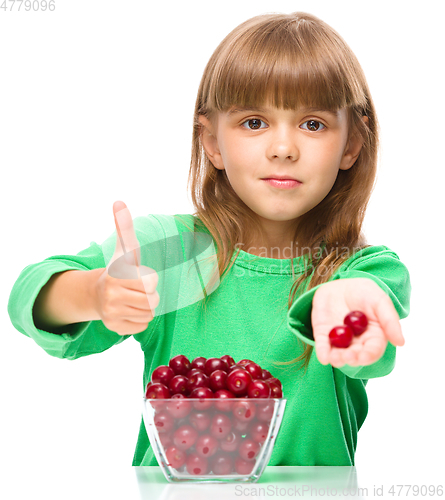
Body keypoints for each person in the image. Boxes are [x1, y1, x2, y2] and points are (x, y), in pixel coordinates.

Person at [7, 11, 411, 467]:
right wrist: (95, 293)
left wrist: (352, 312)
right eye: (254, 122)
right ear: (212, 143)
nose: (283, 148)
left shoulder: (366, 270)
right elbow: (27, 298)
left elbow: (372, 351)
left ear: (352, 144)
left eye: (313, 123)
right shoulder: (172, 252)